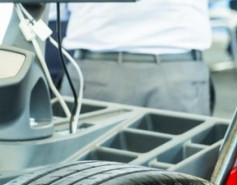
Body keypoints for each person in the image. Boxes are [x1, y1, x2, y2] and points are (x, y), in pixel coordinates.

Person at [63, 0, 213, 115]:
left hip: (95, 69)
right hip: (178, 69)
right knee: (184, 145)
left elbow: (57, 11)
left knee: (86, 146)